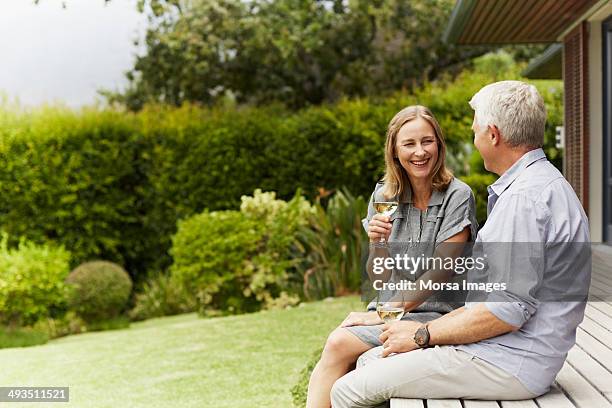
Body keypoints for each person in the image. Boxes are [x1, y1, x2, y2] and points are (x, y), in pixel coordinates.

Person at [329, 81, 591, 407]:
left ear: (492, 134)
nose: (474, 137)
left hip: (510, 359)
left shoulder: (524, 200)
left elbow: (505, 311)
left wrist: (422, 334)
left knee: (347, 390)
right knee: (371, 361)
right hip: (514, 349)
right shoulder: (541, 184)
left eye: (475, 130)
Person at [306, 105, 478, 408]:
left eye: (427, 141)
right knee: (341, 349)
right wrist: (378, 243)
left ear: (439, 144)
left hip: (438, 316)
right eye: (409, 144)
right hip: (392, 309)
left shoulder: (457, 196)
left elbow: (442, 271)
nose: (420, 152)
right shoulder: (384, 197)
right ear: (395, 151)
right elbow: (380, 277)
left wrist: (382, 314)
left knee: (338, 342)